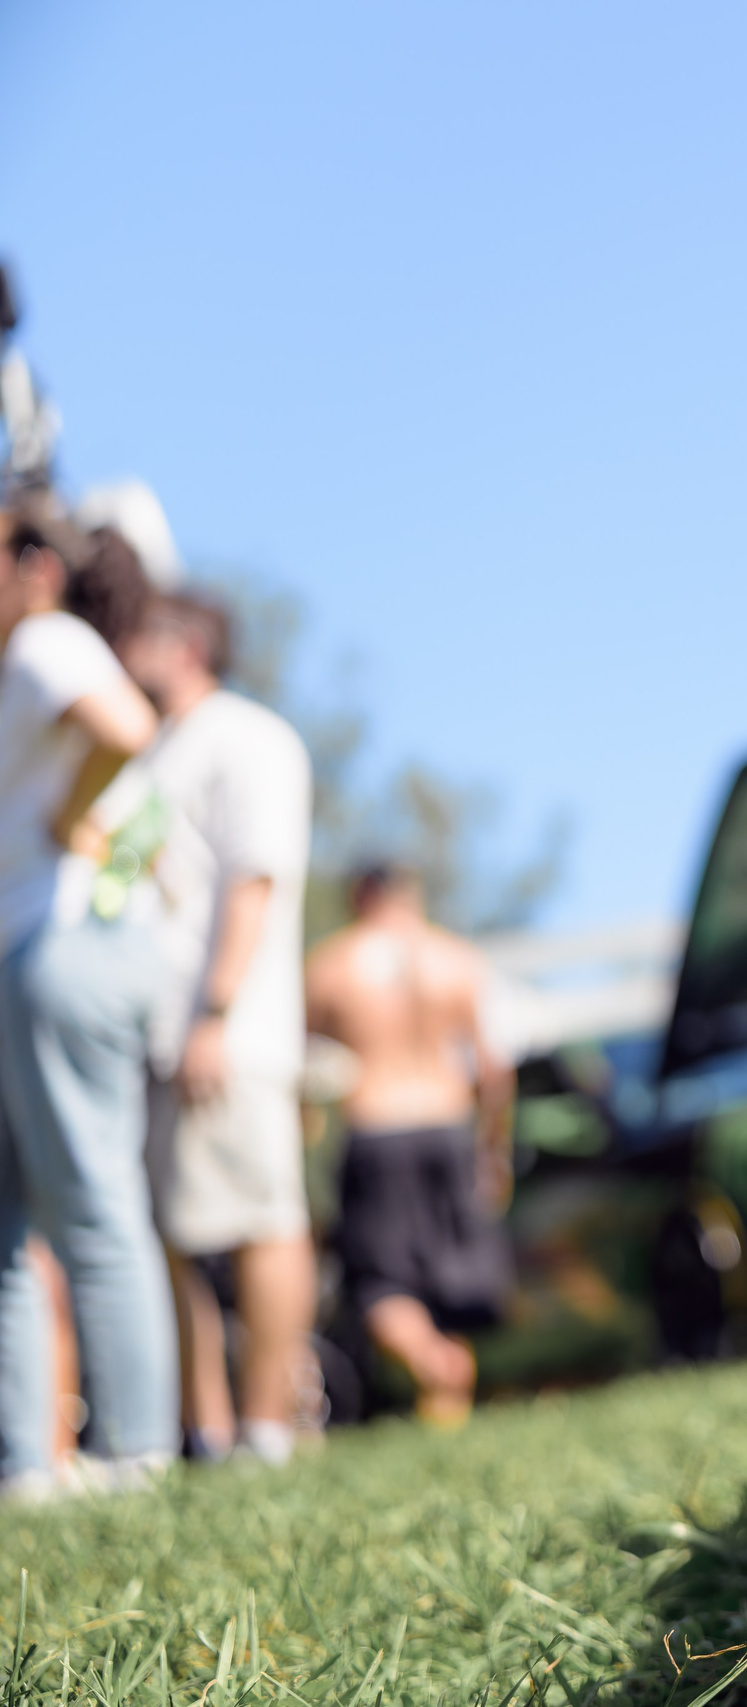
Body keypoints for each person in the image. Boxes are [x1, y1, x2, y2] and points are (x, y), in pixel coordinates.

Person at [118, 588, 316, 1466]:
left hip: (228, 1034)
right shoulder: (160, 749)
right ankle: (211, 1434)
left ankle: (267, 1430)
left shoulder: (247, 736)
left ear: (185, 644)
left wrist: (216, 1013)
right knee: (176, 1239)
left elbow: (254, 878)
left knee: (261, 1221)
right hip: (161, 1036)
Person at [0, 509, 174, 1497]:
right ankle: (30, 1467)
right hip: (24, 953)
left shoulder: (47, 642)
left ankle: (139, 1454)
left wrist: (71, 815)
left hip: (57, 947)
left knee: (94, 1205)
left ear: (32, 566)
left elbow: (125, 727)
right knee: (13, 1231)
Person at [304, 863, 513, 1425]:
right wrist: (495, 1149)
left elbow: (304, 1067)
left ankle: (434, 1364)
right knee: (451, 1277)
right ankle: (446, 1400)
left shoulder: (331, 965)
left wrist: (307, 1138)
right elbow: (494, 1069)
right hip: (449, 1124)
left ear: (360, 896)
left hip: (376, 1129)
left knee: (380, 1281)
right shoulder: (457, 958)